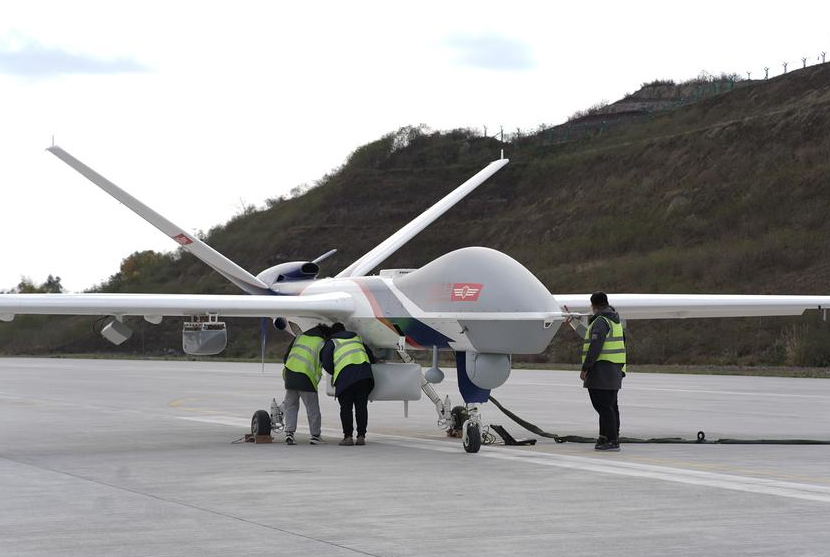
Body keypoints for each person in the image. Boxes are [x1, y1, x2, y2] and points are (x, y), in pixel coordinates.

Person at [580, 291, 626, 452]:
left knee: (603, 406)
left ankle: (612, 440)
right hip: (615, 370)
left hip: (601, 369)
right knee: (611, 406)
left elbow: (595, 347)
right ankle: (607, 436)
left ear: (593, 305)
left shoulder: (600, 321)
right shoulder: (615, 320)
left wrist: (585, 368)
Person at [321, 322, 375, 446]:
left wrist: (336, 372)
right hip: (364, 377)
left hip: (346, 380)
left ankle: (348, 437)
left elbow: (326, 363)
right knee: (361, 408)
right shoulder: (357, 339)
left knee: (346, 409)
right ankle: (361, 436)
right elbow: (370, 356)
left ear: (332, 333)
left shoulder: (332, 342)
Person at [281, 323, 330, 445]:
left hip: (290, 375)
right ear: (324, 334)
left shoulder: (299, 337)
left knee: (291, 406)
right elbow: (326, 362)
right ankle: (315, 436)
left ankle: (289, 434)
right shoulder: (321, 343)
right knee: (312, 408)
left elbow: (285, 357)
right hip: (306, 377)